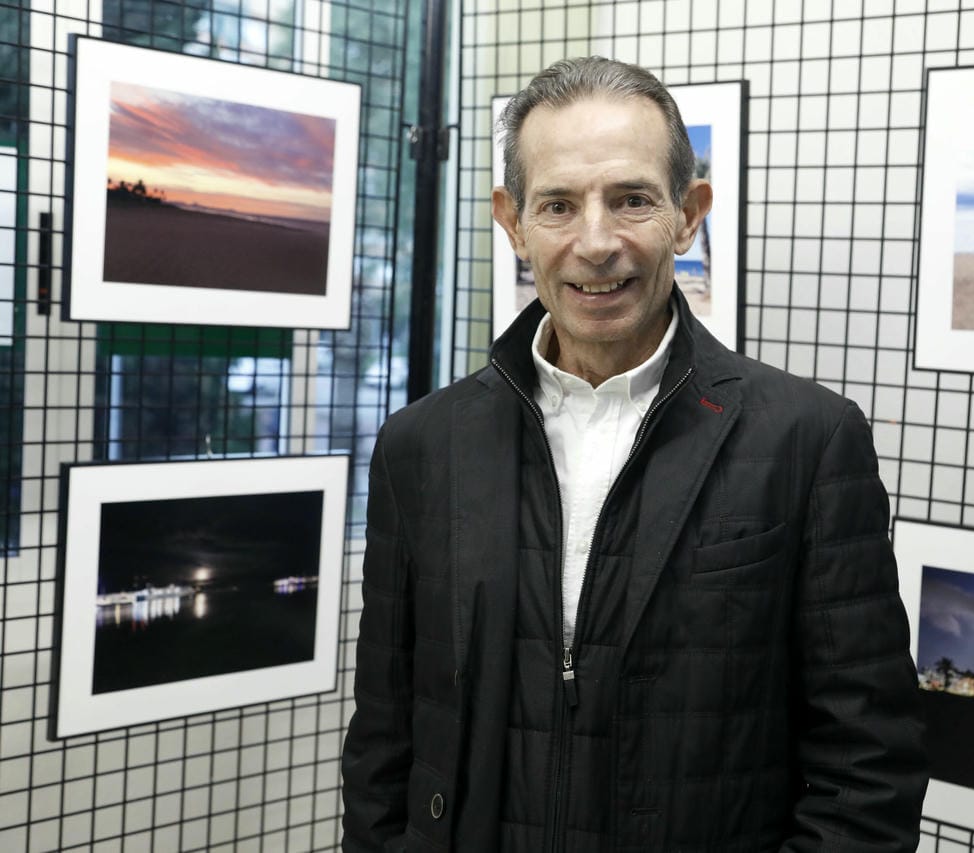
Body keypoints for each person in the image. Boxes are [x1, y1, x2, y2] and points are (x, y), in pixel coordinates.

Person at [341, 56, 927, 852]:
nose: (595, 242)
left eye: (632, 200)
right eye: (558, 205)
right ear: (512, 222)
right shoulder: (420, 445)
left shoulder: (808, 441)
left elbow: (867, 770)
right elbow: (384, 739)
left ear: (689, 214)